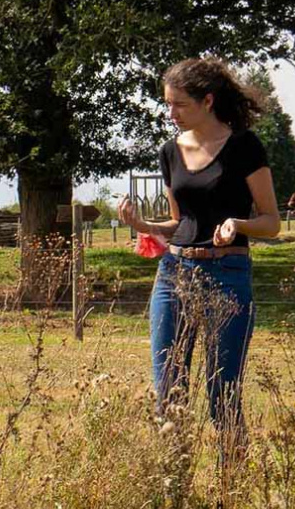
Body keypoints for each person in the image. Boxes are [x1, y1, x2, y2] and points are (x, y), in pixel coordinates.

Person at [117, 58, 280, 457]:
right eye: (167, 104)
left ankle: (231, 489)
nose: (170, 114)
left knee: (221, 392)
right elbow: (179, 223)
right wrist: (143, 225)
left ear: (207, 100)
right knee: (169, 389)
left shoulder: (244, 146)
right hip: (173, 273)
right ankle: (174, 491)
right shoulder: (169, 152)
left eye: (179, 105)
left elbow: (271, 222)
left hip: (227, 273)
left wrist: (238, 225)